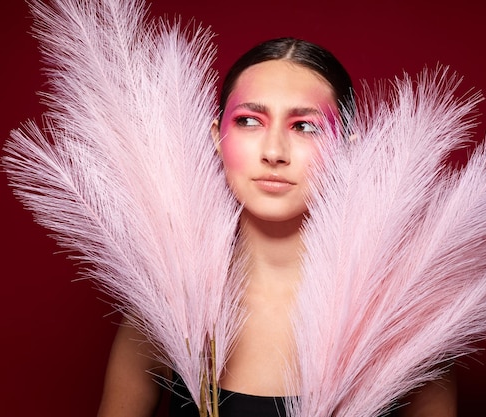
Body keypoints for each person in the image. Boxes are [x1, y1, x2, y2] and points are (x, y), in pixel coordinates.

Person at [96, 37, 457, 417]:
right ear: (218, 137)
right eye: (249, 121)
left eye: (305, 127)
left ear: (346, 149)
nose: (273, 152)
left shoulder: (405, 320)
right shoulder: (165, 311)